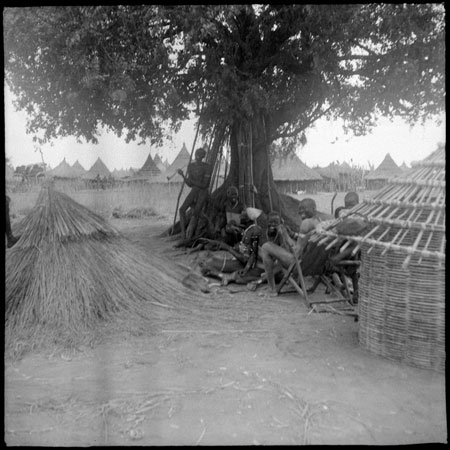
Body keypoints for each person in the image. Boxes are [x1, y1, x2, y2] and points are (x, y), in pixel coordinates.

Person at [261, 200, 321, 294]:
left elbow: (296, 252)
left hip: (300, 265)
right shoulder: (319, 223)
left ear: (314, 209)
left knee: (265, 247)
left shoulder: (306, 223)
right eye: (300, 209)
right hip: (316, 265)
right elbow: (304, 240)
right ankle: (294, 282)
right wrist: (292, 234)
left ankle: (271, 289)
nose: (301, 212)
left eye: (304, 208)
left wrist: (285, 235)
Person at [199, 223, 263, 286]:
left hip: (250, 267)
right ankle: (222, 275)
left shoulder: (257, 246)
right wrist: (217, 243)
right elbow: (247, 255)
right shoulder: (248, 241)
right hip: (245, 265)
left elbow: (245, 259)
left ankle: (223, 276)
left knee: (237, 277)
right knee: (208, 264)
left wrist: (227, 248)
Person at [178, 147, 212, 240]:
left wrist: (192, 181)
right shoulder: (191, 166)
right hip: (194, 191)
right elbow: (189, 184)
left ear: (203, 156)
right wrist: (182, 175)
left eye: (200, 155)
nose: (197, 156)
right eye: (196, 154)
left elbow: (205, 184)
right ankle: (183, 234)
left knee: (196, 213)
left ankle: (207, 223)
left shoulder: (207, 167)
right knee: (181, 210)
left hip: (203, 192)